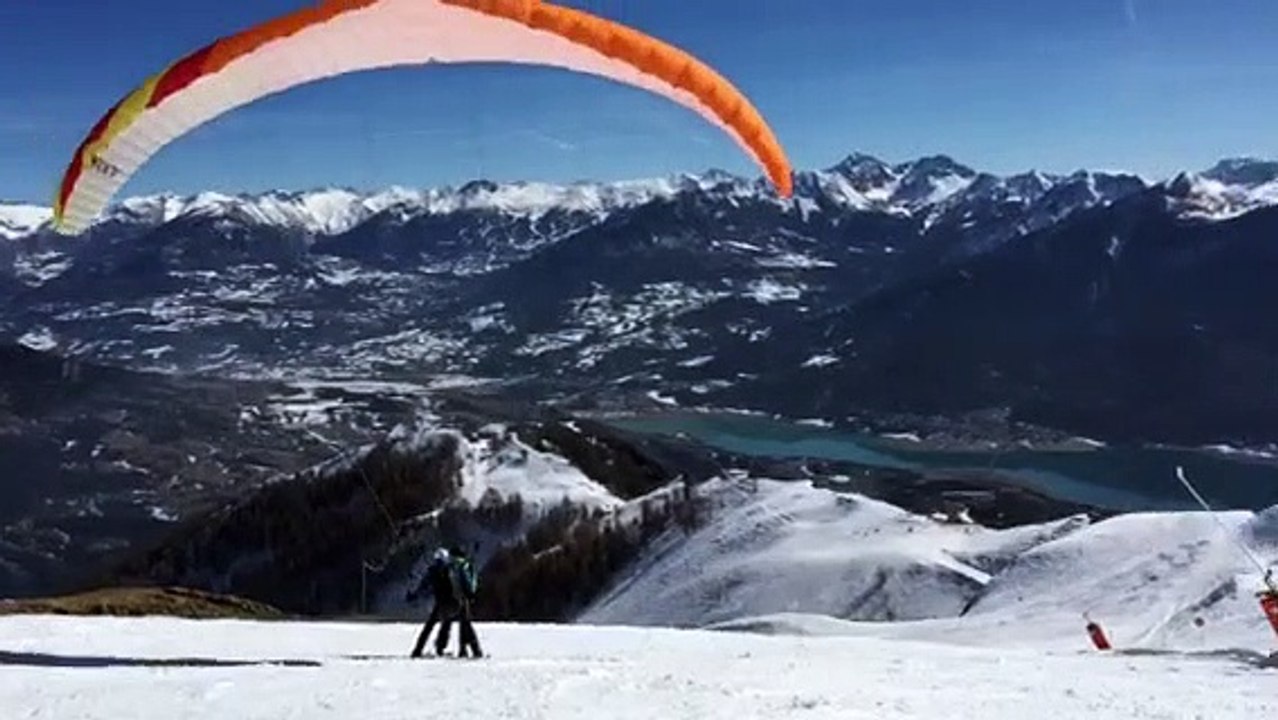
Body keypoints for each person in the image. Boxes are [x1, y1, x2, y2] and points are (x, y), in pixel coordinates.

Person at [410, 547, 463, 658]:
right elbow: (456, 586)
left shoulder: (433, 570)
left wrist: (415, 595)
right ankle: (440, 648)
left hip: (440, 602)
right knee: (446, 625)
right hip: (450, 602)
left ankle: (418, 649)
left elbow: (424, 586)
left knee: (430, 626)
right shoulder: (450, 570)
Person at [449, 544, 483, 659]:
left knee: (464, 624)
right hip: (465, 597)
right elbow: (468, 582)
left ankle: (464, 650)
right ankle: (474, 650)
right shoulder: (464, 565)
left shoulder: (453, 566)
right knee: (466, 623)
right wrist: (471, 594)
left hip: (458, 597)